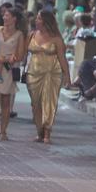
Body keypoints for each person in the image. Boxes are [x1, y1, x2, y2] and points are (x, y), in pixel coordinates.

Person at [26, 10, 72, 143]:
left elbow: (62, 58)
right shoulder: (31, 35)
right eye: (37, 18)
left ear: (46, 21)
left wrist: (67, 76)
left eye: (39, 19)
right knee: (35, 104)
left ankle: (47, 132)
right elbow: (21, 53)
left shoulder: (56, 39)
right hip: (33, 73)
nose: (36, 21)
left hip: (52, 73)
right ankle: (39, 130)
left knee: (49, 102)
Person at [0, 8, 25, 141]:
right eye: (4, 15)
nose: (4, 17)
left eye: (7, 15)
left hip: (8, 69)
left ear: (14, 19)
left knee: (5, 101)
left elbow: (20, 55)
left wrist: (9, 58)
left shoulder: (19, 34)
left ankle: (3, 131)